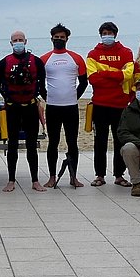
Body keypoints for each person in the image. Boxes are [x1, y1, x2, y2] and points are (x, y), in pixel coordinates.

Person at [0, 30, 47, 192]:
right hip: (12, 109)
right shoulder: (3, 62)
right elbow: (0, 84)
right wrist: (9, 98)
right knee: (12, 145)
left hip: (30, 108)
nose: (18, 42)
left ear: (25, 42)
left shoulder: (36, 61)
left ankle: (35, 180)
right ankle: (11, 180)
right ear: (11, 43)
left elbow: (41, 81)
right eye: (15, 40)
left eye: (20, 40)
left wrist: (35, 95)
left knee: (31, 145)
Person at [86, 22, 134, 188]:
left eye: (110, 33)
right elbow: (93, 79)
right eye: (105, 33)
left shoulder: (126, 52)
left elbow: (128, 75)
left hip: (120, 104)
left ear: (115, 34)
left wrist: (104, 74)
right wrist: (116, 75)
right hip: (100, 104)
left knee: (119, 140)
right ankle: (99, 175)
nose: (107, 35)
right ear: (101, 35)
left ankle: (119, 175)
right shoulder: (93, 54)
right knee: (100, 141)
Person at [41, 24, 88, 188]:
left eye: (62, 37)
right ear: (51, 38)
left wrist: (75, 96)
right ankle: (52, 176)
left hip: (71, 107)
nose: (59, 39)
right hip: (53, 107)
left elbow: (83, 81)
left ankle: (73, 177)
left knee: (72, 142)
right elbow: (40, 83)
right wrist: (47, 97)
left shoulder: (76, 58)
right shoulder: (45, 59)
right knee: (53, 142)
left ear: (67, 39)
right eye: (56, 37)